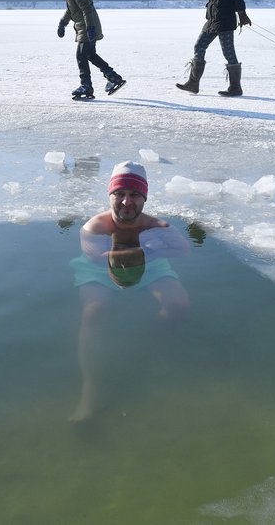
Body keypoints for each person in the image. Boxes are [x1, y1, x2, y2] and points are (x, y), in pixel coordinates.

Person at [68, 161, 190, 422]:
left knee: (178, 305)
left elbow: (183, 249)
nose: (126, 202)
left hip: (149, 264)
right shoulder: (94, 226)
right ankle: (89, 389)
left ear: (144, 197)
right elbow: (96, 258)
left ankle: (150, 349)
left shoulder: (156, 224)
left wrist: (150, 250)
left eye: (134, 194)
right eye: (119, 194)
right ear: (110, 195)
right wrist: (148, 246)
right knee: (94, 311)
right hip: (99, 269)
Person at [55, 0, 125, 101]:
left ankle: (86, 86)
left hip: (87, 26)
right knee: (90, 55)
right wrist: (62, 23)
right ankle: (113, 78)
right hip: (85, 26)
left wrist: (90, 28)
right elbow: (72, 10)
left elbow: (87, 9)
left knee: (81, 55)